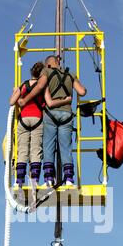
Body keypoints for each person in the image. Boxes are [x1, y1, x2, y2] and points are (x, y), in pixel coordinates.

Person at [18, 55, 87, 186]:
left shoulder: (47, 71)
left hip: (50, 115)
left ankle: (49, 179)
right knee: (65, 148)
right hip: (66, 114)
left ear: (48, 65)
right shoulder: (70, 74)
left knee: (48, 147)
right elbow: (82, 92)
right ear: (57, 62)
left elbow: (40, 86)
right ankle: (69, 180)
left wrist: (25, 100)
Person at [10, 61, 72, 186]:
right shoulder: (43, 87)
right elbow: (48, 102)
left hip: (24, 118)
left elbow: (12, 102)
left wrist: (16, 93)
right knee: (36, 151)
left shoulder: (23, 85)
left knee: (22, 150)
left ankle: (19, 181)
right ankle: (35, 181)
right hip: (38, 119)